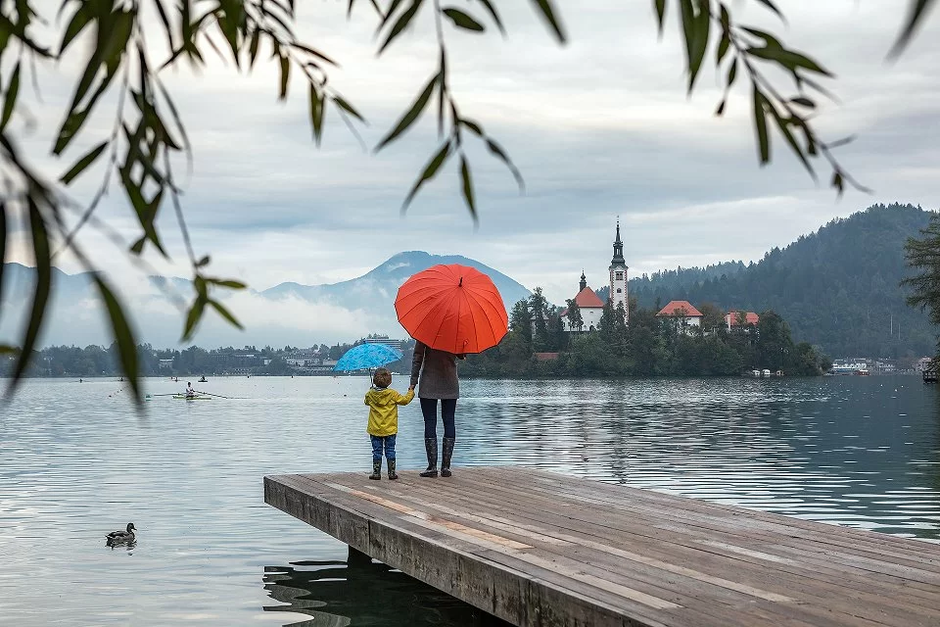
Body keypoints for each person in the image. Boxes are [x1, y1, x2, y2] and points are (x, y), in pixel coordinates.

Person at [410, 341, 464, 478]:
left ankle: (432, 467)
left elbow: (417, 357)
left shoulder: (425, 333)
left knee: (430, 422)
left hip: (429, 383)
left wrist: (413, 382)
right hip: (450, 382)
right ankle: (446, 467)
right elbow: (462, 355)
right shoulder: (456, 332)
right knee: (449, 421)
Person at [364, 368, 414, 481]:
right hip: (390, 429)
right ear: (389, 381)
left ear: (374, 380)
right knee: (390, 450)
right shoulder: (392, 394)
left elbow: (366, 402)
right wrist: (410, 391)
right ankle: (392, 473)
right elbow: (405, 401)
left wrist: (371, 391)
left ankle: (376, 473)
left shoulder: (370, 394)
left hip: (375, 429)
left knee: (377, 451)